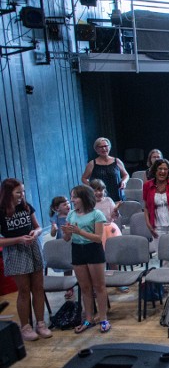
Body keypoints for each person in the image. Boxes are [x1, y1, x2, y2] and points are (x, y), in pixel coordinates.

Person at [0, 178, 51, 341]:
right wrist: (18, 239)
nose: (22, 195)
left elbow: (38, 227)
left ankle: (41, 323)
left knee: (38, 287)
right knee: (23, 290)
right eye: (18, 192)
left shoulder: (26, 206)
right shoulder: (1, 210)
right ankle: (25, 326)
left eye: (23, 191)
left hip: (32, 248)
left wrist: (35, 233)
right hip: (15, 251)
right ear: (8, 193)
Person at [63, 184, 110, 334]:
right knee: (84, 287)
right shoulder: (71, 214)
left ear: (84, 198)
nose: (72, 200)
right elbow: (67, 238)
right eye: (72, 197)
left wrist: (79, 231)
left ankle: (103, 318)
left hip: (93, 250)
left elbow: (97, 238)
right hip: (77, 250)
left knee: (99, 287)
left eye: (75, 197)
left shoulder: (97, 214)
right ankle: (88, 319)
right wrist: (66, 232)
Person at [81, 137, 129, 202]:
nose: (104, 148)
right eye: (100, 147)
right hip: (99, 197)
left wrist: (124, 182)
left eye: (105, 146)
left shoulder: (117, 161)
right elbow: (84, 178)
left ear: (109, 147)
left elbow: (126, 175)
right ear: (96, 149)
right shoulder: (92, 163)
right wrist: (91, 186)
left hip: (117, 195)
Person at [48, 195, 75, 302]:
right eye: (64, 204)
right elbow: (52, 234)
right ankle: (69, 288)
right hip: (63, 245)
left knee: (79, 266)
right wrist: (54, 229)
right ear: (57, 208)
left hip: (74, 243)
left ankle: (84, 284)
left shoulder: (73, 215)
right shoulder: (55, 218)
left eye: (68, 203)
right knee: (67, 267)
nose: (68, 205)